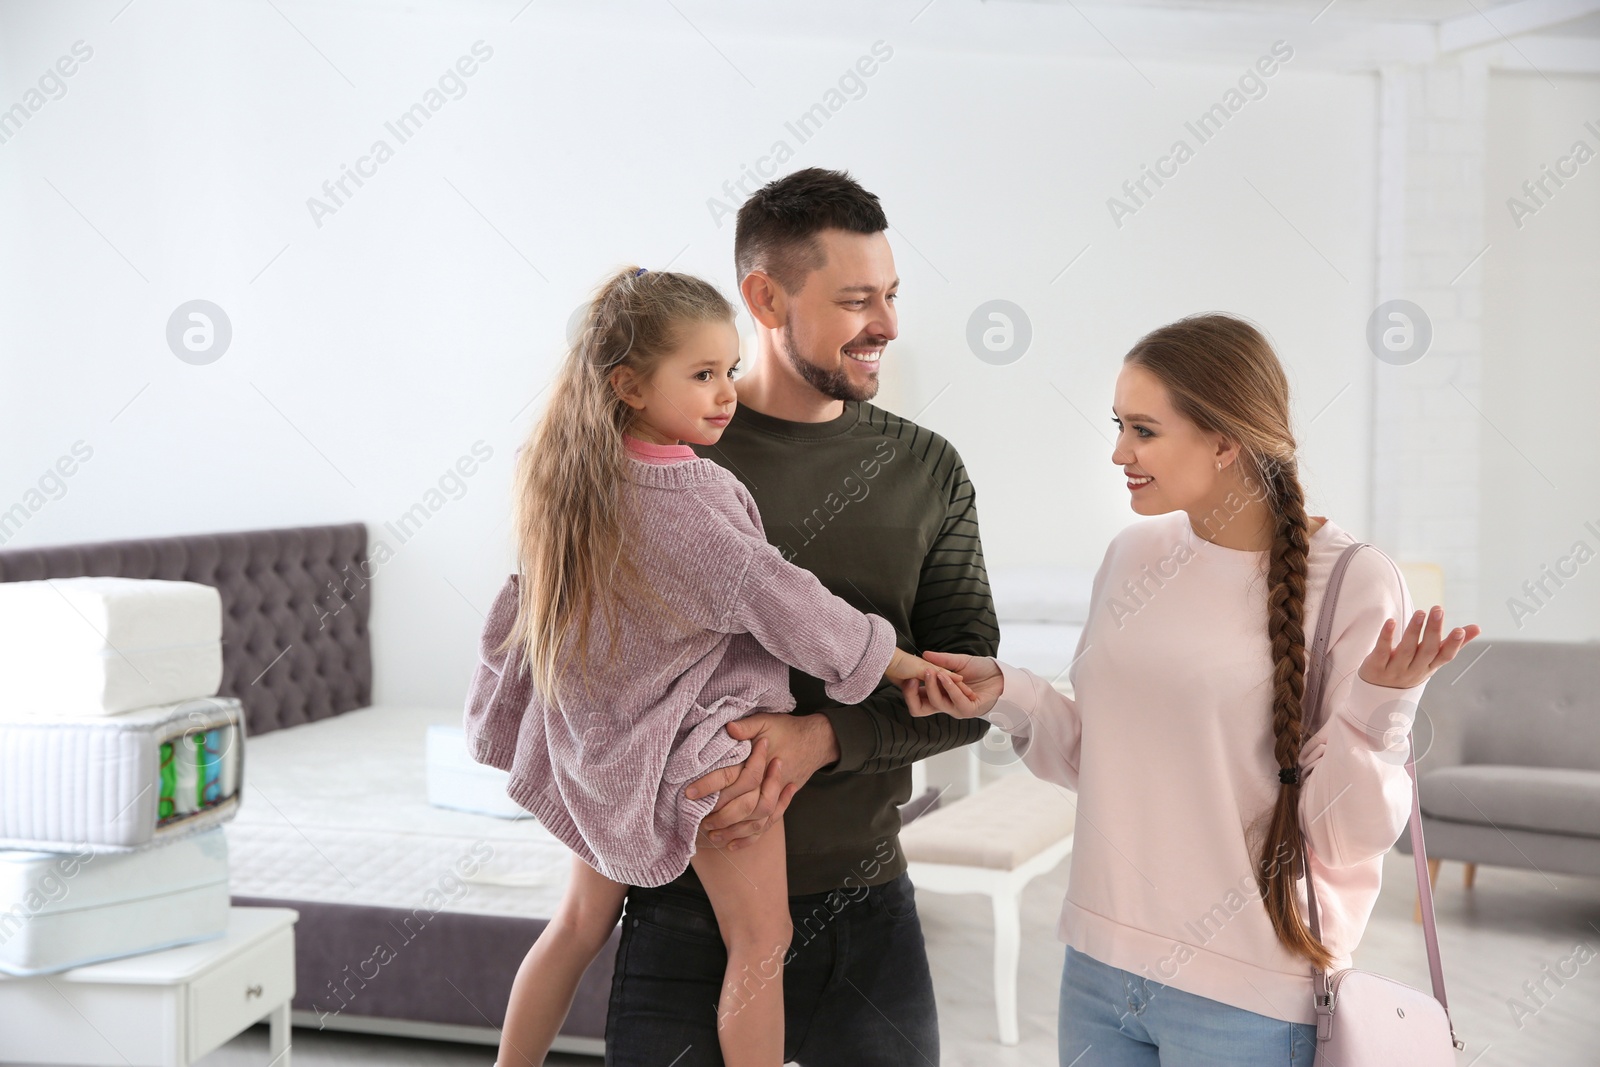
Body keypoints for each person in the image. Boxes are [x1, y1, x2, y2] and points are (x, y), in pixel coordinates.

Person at [901, 313, 1482, 1066]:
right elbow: (1099, 759)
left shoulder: (1352, 581)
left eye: (1143, 429)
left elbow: (1345, 834)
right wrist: (1008, 691)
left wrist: (1380, 706)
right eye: (1119, 425)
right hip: (1099, 960)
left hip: (1250, 991)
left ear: (1224, 439)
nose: (1119, 451)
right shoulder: (1131, 554)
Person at [463, 265, 973, 1067]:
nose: (725, 393)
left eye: (728, 370)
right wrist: (898, 661)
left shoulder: (571, 482)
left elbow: (521, 629)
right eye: (701, 375)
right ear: (629, 384)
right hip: (704, 761)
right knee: (763, 942)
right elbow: (792, 604)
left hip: (602, 753)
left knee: (572, 927)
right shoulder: (693, 499)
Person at [602, 169, 1001, 1065]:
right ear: (765, 297)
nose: (889, 325)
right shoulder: (660, 464)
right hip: (680, 908)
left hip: (868, 909)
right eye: (858, 299)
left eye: (892, 296)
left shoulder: (927, 469)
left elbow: (968, 685)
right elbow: (574, 657)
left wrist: (822, 735)